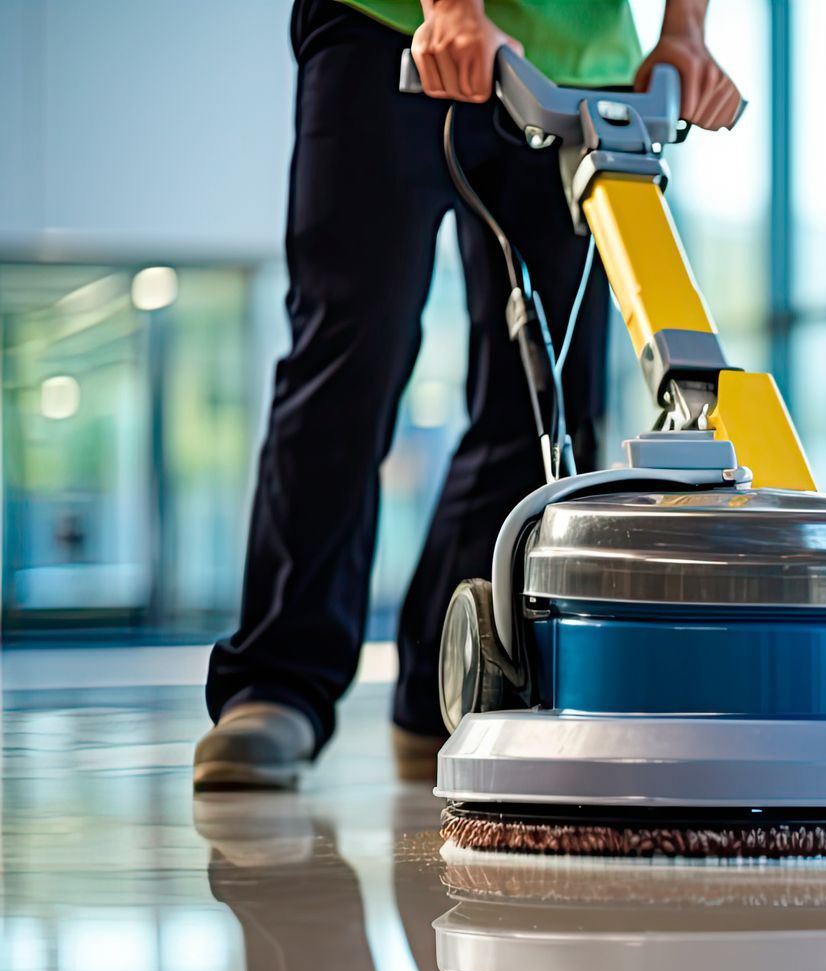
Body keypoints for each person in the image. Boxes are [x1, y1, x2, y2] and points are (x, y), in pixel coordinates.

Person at [195, 0, 741, 789]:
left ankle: (444, 686)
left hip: (583, 65)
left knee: (547, 399)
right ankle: (277, 683)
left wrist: (684, 33)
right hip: (386, 25)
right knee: (353, 348)